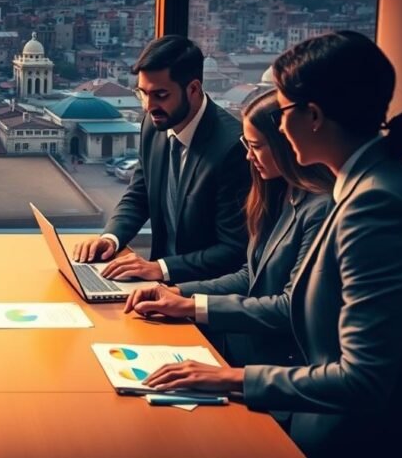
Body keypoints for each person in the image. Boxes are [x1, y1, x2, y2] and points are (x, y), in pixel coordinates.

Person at [129, 31, 402, 457]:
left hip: (342, 436)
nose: (281, 126)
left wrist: (231, 378)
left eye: (283, 112)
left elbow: (362, 379)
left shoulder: (374, 203)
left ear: (315, 116)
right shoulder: (368, 185)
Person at [121, 90, 333, 368]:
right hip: (238, 343)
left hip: (271, 363)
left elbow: (288, 307)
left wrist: (193, 306)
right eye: (247, 143)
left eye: (255, 146)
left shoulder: (319, 210)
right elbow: (251, 275)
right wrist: (177, 291)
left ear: (286, 144)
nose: (248, 157)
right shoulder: (275, 193)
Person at [73, 35, 250, 284]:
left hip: (203, 293)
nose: (148, 106)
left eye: (160, 95)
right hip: (156, 285)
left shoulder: (232, 148)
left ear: (193, 89)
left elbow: (233, 250)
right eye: (142, 93)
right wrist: (110, 239)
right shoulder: (154, 123)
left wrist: (161, 269)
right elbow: (139, 194)